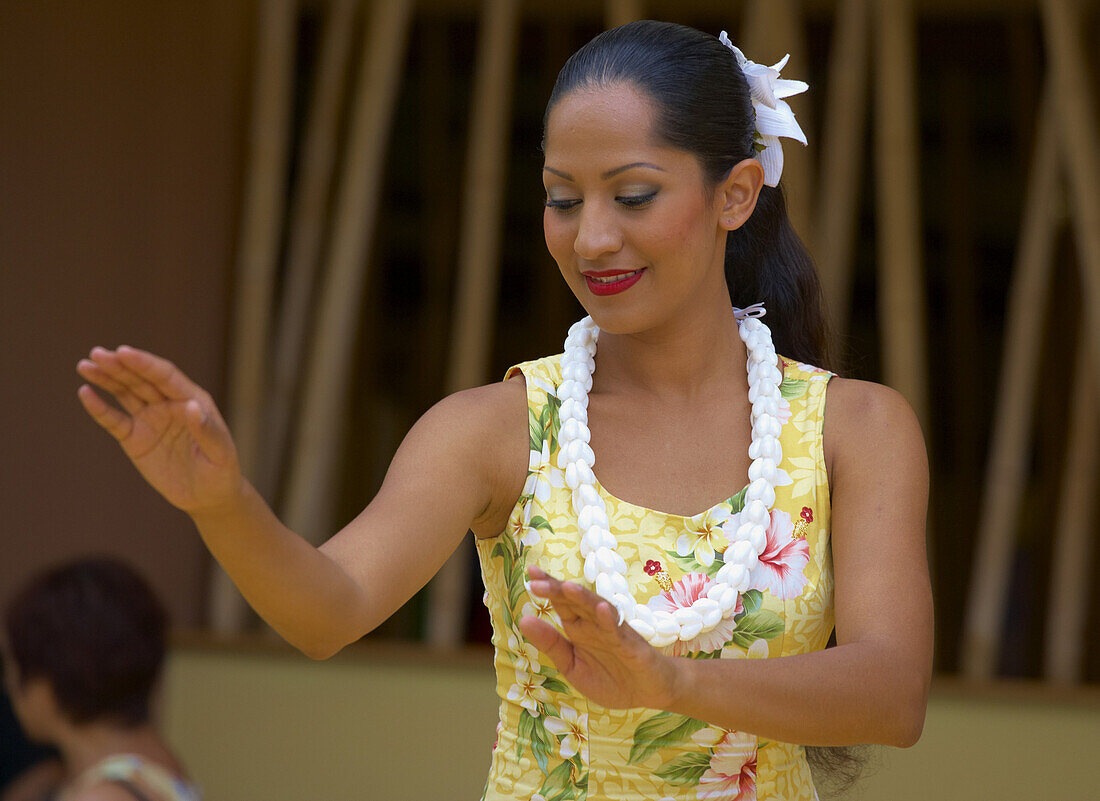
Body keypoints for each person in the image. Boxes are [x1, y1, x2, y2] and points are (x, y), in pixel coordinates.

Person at [75, 20, 932, 801]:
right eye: (563, 198)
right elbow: (325, 611)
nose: (591, 237)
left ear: (735, 196)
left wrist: (671, 683)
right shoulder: (497, 429)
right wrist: (222, 502)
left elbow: (893, 691)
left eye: (631, 196)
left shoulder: (851, 429)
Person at [3, 558, 201, 801]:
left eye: (13, 667)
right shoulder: (157, 766)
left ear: (46, 684)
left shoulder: (104, 795)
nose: (10, 686)